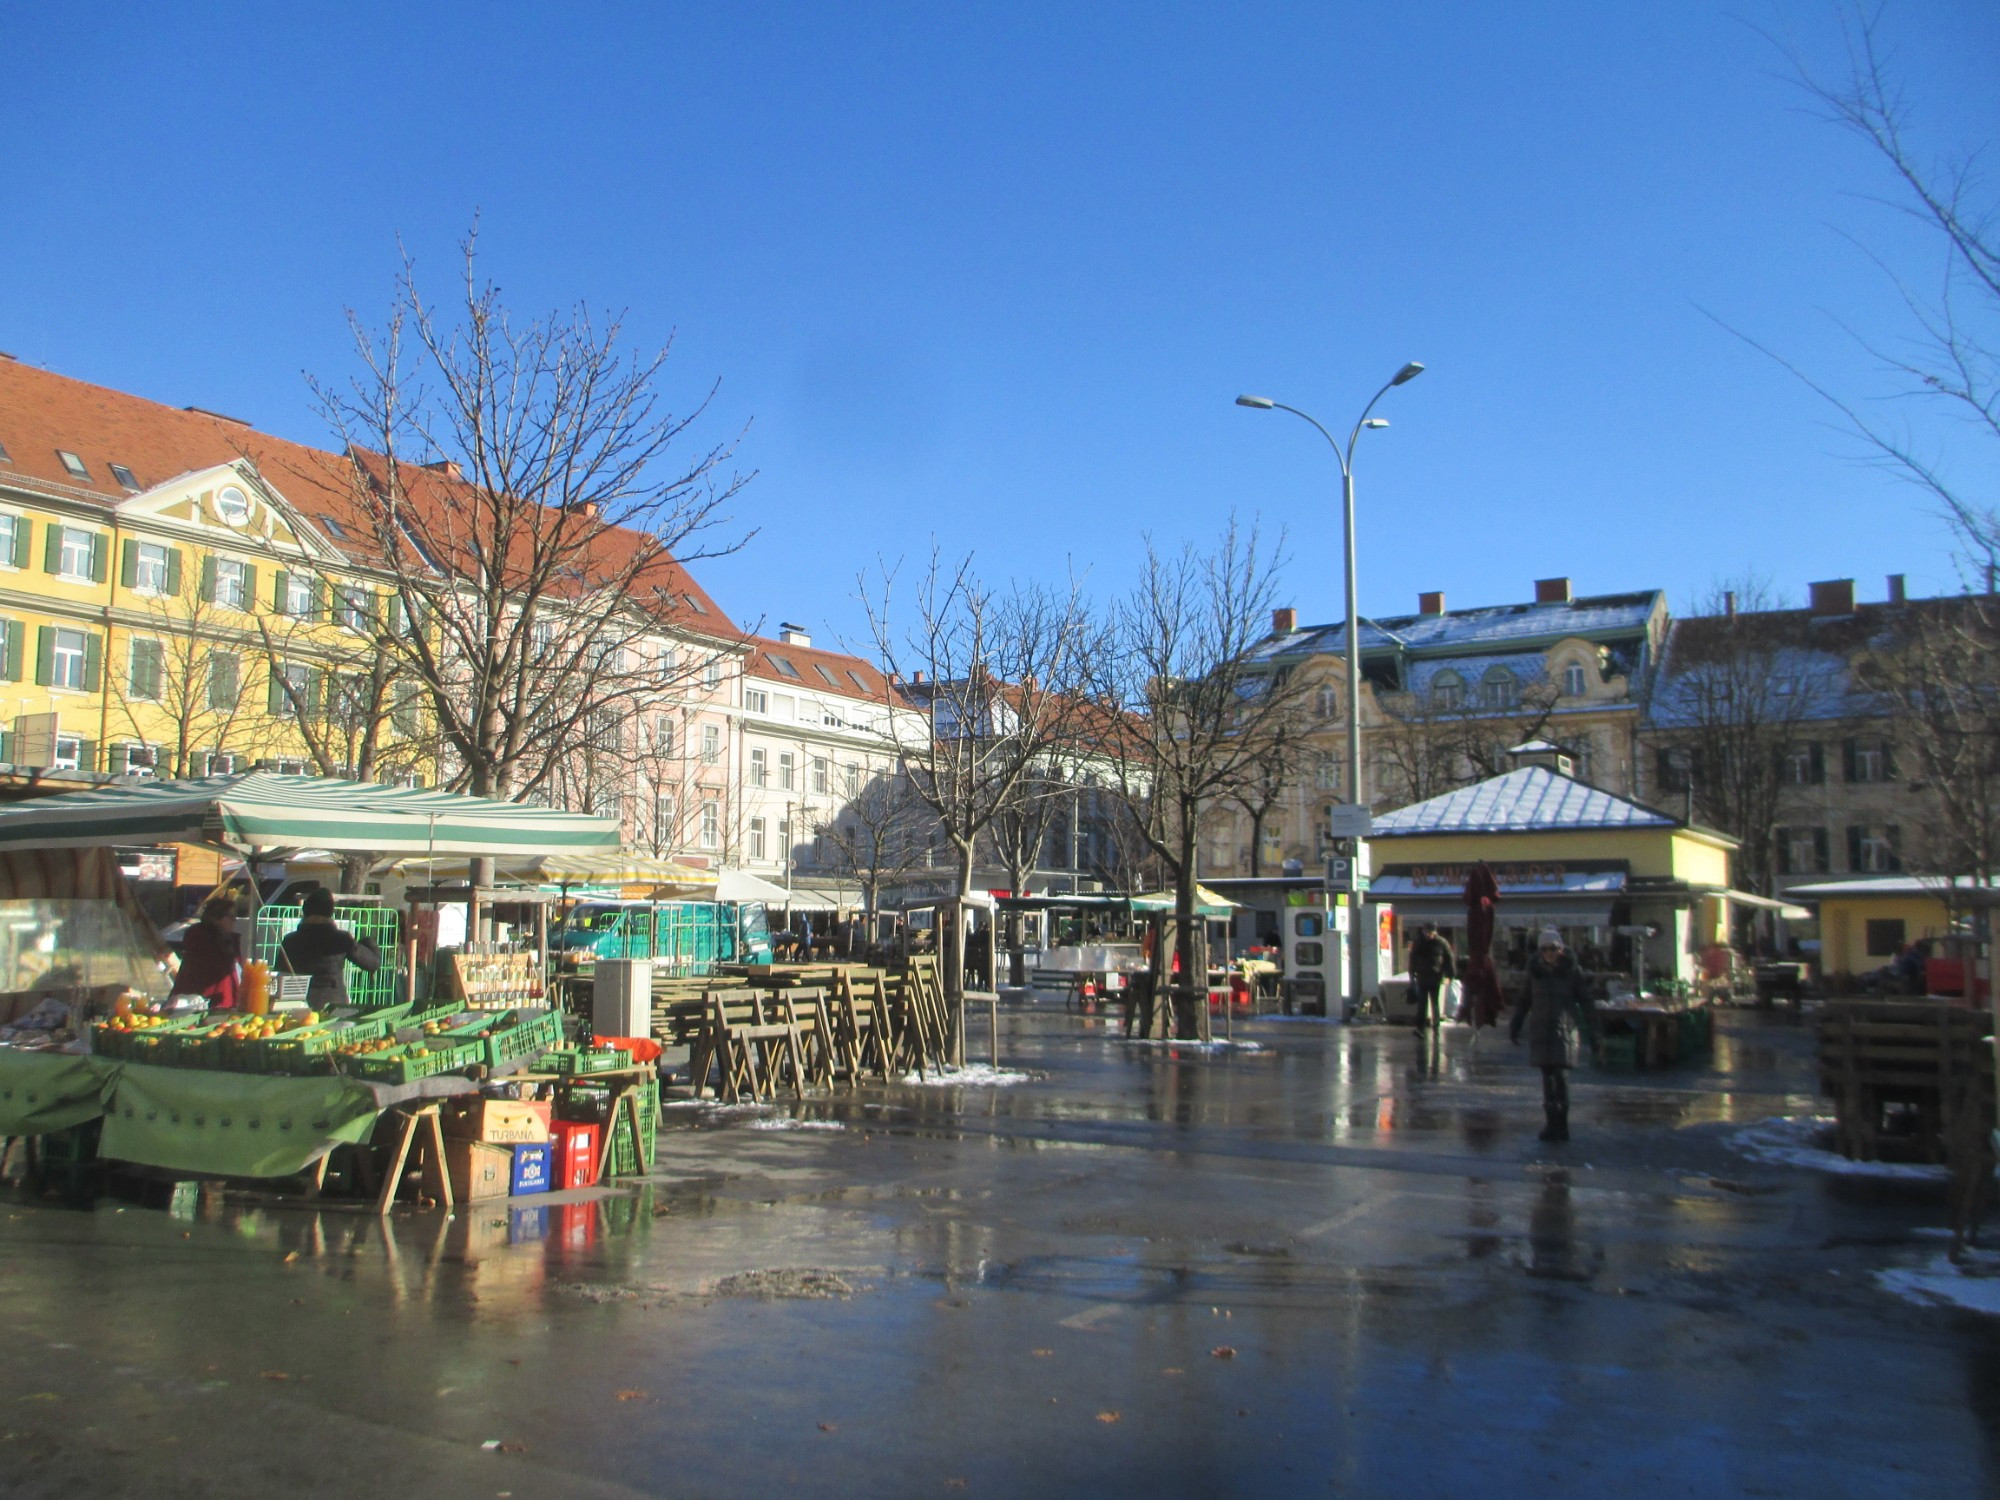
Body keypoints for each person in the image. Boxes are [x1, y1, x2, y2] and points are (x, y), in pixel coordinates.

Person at [1510, 926, 1596, 1143]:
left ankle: (1562, 1125)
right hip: (1541, 1031)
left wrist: (1595, 1032)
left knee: (1561, 1079)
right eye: (1545, 949)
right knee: (1547, 1081)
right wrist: (1516, 1023)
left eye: (1553, 948)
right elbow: (1524, 1000)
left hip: (1563, 1030)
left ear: (1561, 949)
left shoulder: (1571, 971)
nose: (1549, 953)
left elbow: (1586, 1001)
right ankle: (1550, 1124)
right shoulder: (1535, 973)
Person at [279, 889, 382, 1009]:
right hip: (333, 1006)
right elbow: (372, 963)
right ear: (330, 912)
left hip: (298, 1005)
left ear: (305, 911)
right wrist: (369, 941)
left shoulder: (290, 940)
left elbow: (280, 973)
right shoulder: (341, 938)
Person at [171, 895, 242, 1010]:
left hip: (203, 999)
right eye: (231, 917)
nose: (234, 921)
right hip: (208, 1002)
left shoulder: (201, 936)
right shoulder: (208, 939)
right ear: (217, 917)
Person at [1407, 920, 1457, 1035]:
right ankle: (1420, 1028)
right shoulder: (1419, 942)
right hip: (1422, 977)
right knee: (1422, 1004)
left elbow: (1449, 958)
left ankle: (1436, 1026)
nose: (1428, 935)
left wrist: (1450, 975)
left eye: (1430, 932)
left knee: (1435, 1003)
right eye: (1426, 932)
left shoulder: (1441, 942)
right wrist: (1412, 975)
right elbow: (1413, 958)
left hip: (1436, 977)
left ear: (1435, 932)